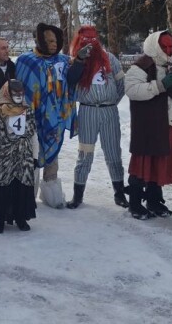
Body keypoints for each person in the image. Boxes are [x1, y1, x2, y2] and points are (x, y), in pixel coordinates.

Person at [124, 30, 172, 220]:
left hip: (170, 124)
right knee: (143, 163)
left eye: (170, 46)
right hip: (148, 126)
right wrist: (160, 85)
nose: (168, 50)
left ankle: (154, 201)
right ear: (154, 45)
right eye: (164, 46)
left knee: (159, 164)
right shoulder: (141, 66)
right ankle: (134, 204)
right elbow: (132, 90)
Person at [64, 25, 128, 209]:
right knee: (85, 153)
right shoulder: (76, 61)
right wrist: (80, 60)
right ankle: (78, 195)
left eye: (93, 40)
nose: (91, 44)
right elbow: (70, 81)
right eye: (86, 40)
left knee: (113, 151)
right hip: (88, 110)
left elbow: (121, 84)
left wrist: (111, 102)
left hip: (109, 110)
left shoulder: (111, 59)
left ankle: (119, 193)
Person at [15, 23, 78, 209]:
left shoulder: (64, 61)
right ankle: (28, 196)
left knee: (53, 155)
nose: (53, 43)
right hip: (32, 117)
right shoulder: (26, 60)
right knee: (31, 156)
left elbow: (73, 81)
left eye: (56, 40)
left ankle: (51, 192)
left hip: (56, 118)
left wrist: (80, 62)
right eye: (49, 40)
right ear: (40, 40)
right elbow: (19, 89)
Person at [0, 80, 39, 233]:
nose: (18, 96)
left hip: (24, 158)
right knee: (4, 187)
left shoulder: (27, 111)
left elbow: (33, 135)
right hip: (5, 157)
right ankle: (0, 219)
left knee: (22, 188)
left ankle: (21, 218)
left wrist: (35, 156)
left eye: (20, 93)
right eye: (14, 93)